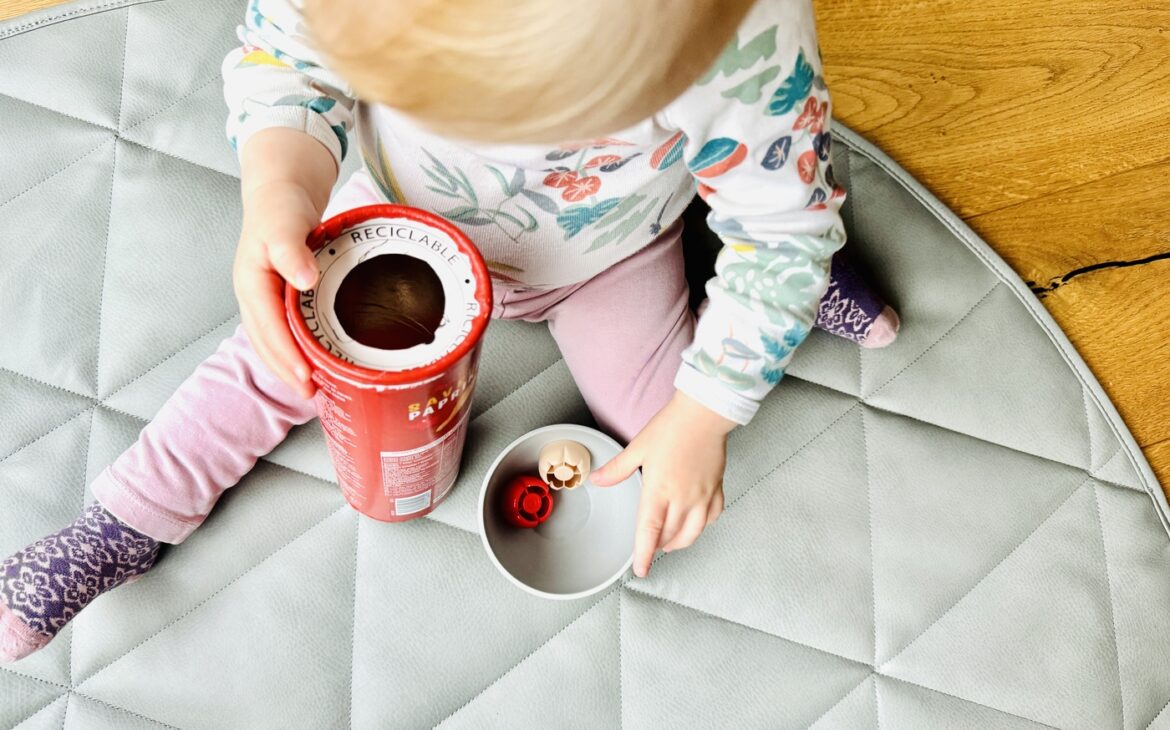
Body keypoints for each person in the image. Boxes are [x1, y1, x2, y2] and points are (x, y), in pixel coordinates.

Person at [0, 0, 899, 663]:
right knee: (268, 359)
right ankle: (119, 523)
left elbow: (778, 225)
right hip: (391, 220)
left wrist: (706, 413)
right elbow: (285, 65)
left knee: (659, 415)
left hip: (607, 261)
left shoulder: (744, 41)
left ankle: (771, 272)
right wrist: (279, 192)